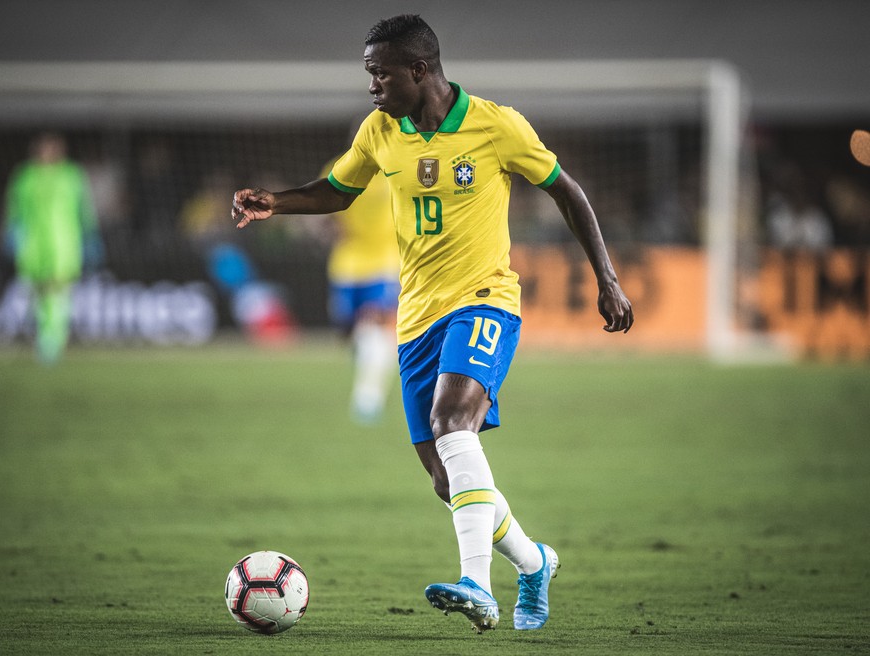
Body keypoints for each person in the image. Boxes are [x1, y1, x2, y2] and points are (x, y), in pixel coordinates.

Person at [232, 14, 633, 633]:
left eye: (380, 73)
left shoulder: (496, 126)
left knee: (453, 421)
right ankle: (535, 562)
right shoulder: (379, 130)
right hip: (416, 316)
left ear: (419, 70)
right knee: (450, 481)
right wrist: (276, 203)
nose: (371, 86)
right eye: (369, 74)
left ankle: (477, 584)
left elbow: (567, 190)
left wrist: (607, 279)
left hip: (484, 299)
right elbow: (339, 191)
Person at [5, 132, 102, 363]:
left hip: (64, 242)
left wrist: (90, 234)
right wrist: (13, 232)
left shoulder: (72, 176)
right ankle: (45, 332)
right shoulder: (25, 177)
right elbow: (14, 208)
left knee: (58, 289)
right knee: (38, 291)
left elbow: (84, 208)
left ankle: (52, 339)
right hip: (34, 244)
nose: (48, 153)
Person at [320, 154, 400, 424]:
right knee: (350, 332)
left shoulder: (398, 165)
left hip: (386, 262)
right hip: (348, 263)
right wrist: (331, 227)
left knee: (373, 322)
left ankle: (368, 398)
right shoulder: (339, 168)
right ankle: (372, 358)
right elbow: (325, 213)